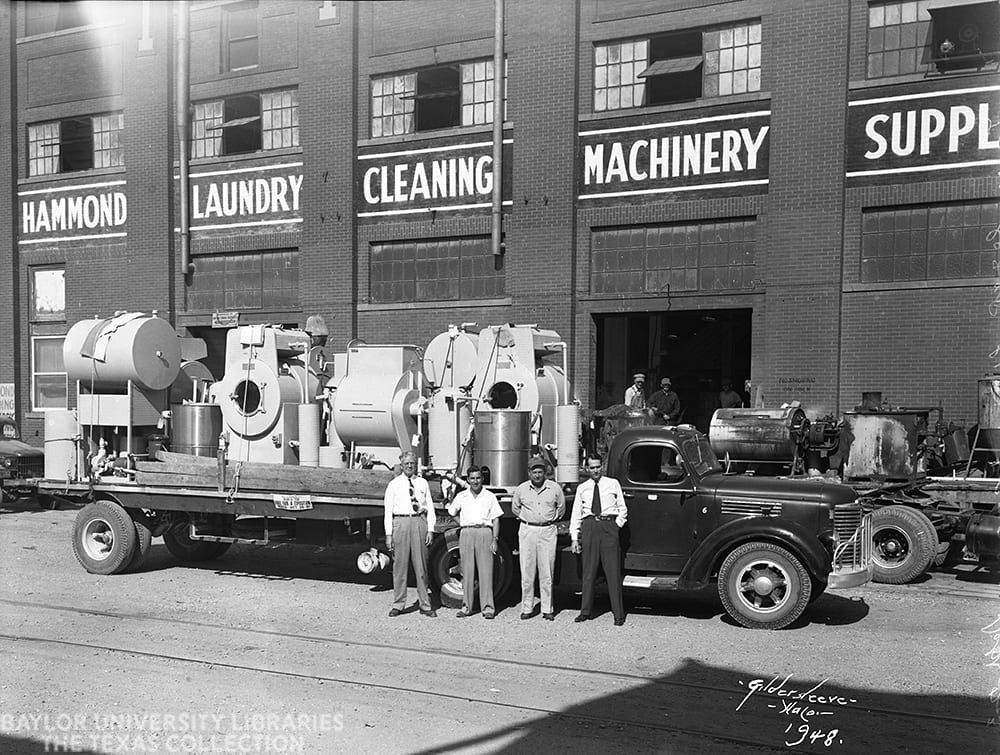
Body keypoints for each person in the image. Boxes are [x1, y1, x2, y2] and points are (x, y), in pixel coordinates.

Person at [570, 455, 628, 626]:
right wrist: (575, 538)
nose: (595, 470)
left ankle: (618, 614)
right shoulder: (582, 488)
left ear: (601, 466)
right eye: (592, 467)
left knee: (612, 572)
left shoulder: (613, 483)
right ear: (587, 468)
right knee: (588, 572)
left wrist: (616, 525)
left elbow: (623, 508)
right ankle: (585, 611)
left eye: (597, 467)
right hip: (589, 527)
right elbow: (576, 514)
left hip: (608, 526)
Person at [511, 455, 566, 621]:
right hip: (528, 530)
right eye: (534, 472)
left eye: (540, 472)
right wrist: (529, 519)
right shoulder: (521, 489)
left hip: (547, 531)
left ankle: (547, 608)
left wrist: (549, 520)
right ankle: (527, 608)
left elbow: (561, 508)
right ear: (529, 473)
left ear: (545, 472)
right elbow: (515, 508)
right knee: (527, 571)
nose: (537, 475)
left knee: (547, 571)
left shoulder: (554, 488)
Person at [383, 451, 436, 618]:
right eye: (406, 463)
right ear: (401, 464)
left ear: (416, 464)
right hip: (401, 523)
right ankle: (398, 604)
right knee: (400, 566)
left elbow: (430, 507)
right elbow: (388, 511)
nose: (409, 466)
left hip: (419, 522)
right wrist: (389, 534)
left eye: (412, 463)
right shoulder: (394, 484)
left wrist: (430, 529)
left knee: (421, 566)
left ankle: (425, 604)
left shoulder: (422, 483)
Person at [446, 468, 503, 619]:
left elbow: (496, 519)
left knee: (486, 572)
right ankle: (466, 607)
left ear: (482, 479)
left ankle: (488, 608)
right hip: (467, 533)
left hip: (485, 532)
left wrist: (494, 539)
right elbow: (452, 512)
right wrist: (463, 524)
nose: (475, 481)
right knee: (468, 572)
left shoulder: (489, 496)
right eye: (472, 478)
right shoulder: (462, 496)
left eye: (478, 478)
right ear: (468, 480)